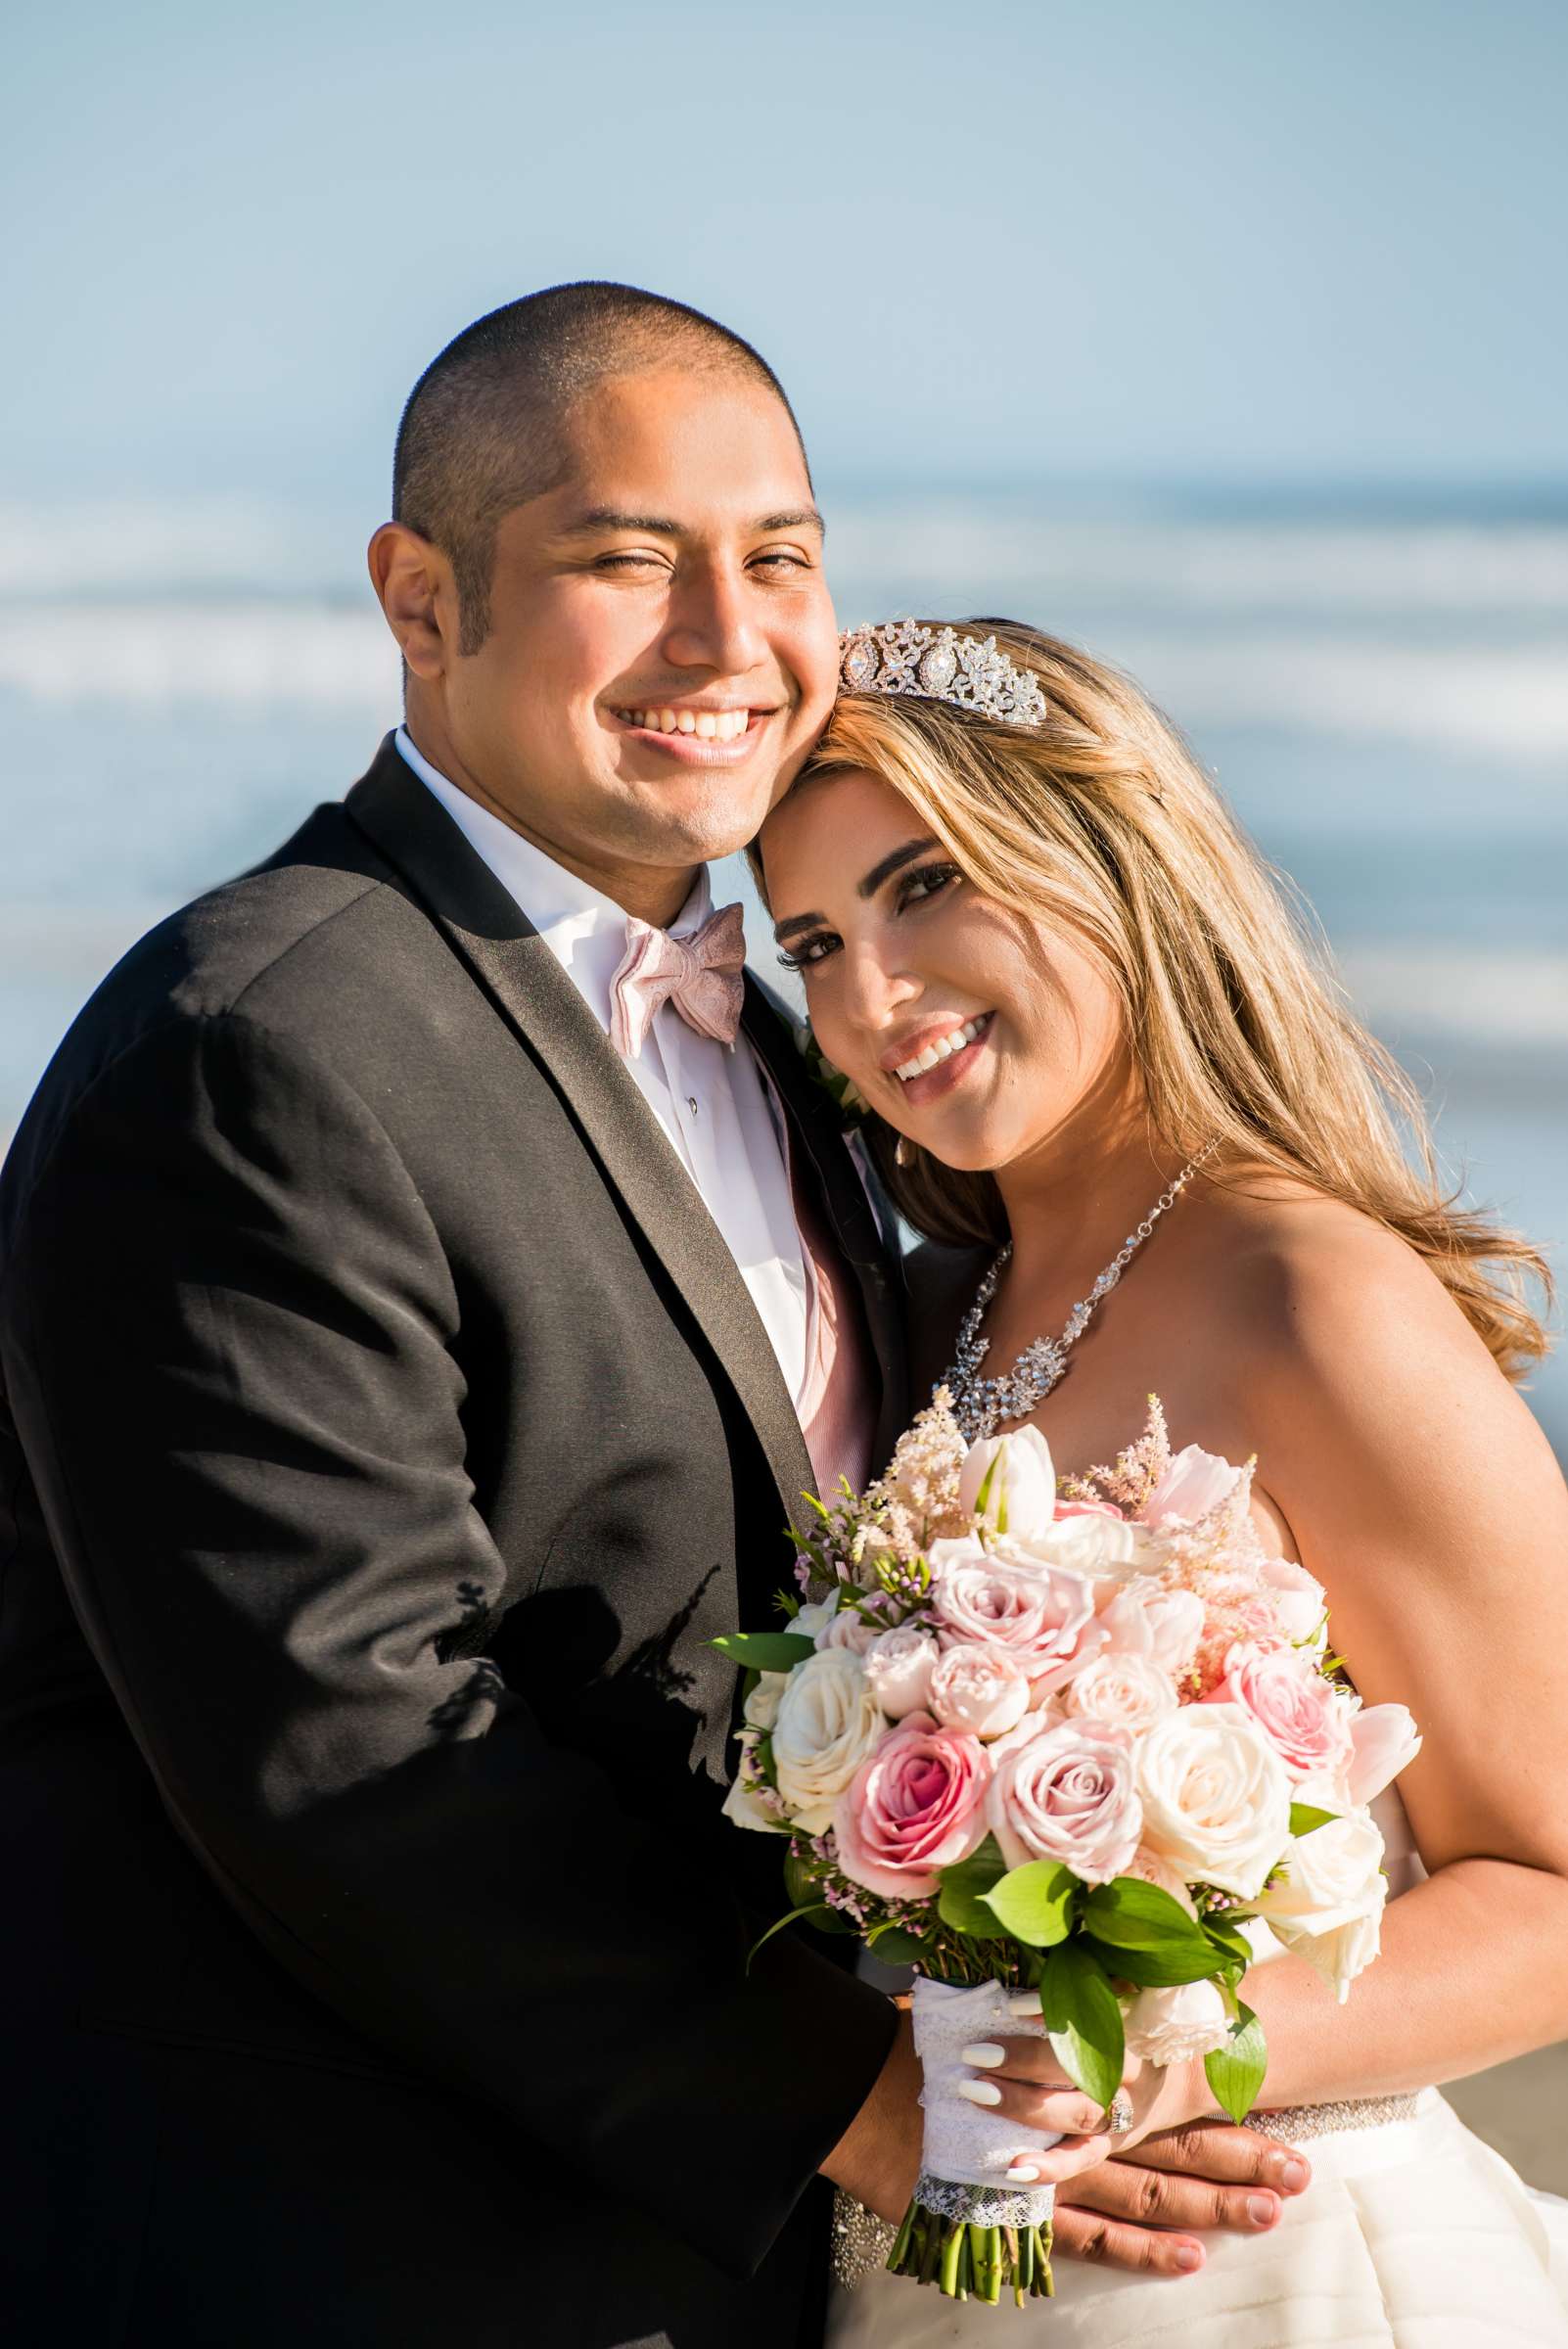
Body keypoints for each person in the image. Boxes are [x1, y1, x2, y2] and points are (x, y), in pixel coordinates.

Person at [0, 293, 1304, 2349]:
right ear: (421, 601)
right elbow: (345, 1742)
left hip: (708, 2259)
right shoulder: (260, 1045)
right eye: (629, 559)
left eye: (780, 555)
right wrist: (866, 2105)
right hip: (364, 2258)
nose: (729, 634)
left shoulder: (792, 1043)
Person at [757, 618, 1568, 2345]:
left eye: (922, 888)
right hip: (939, 2266)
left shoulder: (1308, 1291)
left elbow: (1555, 1887)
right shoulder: (911, 1307)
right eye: (812, 941)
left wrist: (1177, 2044)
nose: (867, 999)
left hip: (1259, 2272)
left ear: (1100, 856)